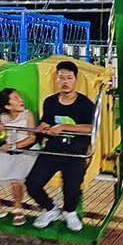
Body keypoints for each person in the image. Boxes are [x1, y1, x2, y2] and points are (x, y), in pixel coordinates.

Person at [26, 61, 95, 232]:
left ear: (75, 80)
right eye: (61, 78)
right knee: (32, 184)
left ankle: (69, 212)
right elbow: (46, 124)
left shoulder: (85, 104)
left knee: (71, 188)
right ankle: (50, 208)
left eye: (69, 78)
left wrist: (65, 127)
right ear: (56, 80)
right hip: (53, 149)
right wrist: (43, 128)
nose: (65, 82)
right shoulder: (50, 102)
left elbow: (90, 128)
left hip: (74, 153)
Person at [0, 88, 37, 226]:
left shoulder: (27, 114)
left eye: (20, 97)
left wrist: (14, 146)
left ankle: (18, 209)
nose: (21, 100)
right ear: (7, 106)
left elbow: (32, 138)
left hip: (27, 151)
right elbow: (0, 138)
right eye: (16, 98)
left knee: (16, 178)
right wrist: (0, 132)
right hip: (8, 151)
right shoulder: (3, 117)